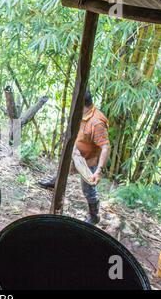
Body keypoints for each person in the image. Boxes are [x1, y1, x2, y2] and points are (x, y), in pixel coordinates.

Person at [38, 89, 110, 225]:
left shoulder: (97, 122)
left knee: (88, 190)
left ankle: (94, 216)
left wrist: (99, 171)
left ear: (81, 104)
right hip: (76, 155)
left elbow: (106, 147)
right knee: (63, 169)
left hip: (88, 162)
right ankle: (55, 183)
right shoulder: (80, 114)